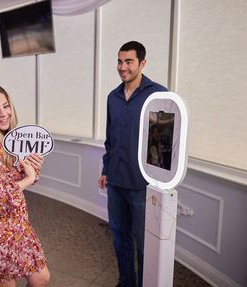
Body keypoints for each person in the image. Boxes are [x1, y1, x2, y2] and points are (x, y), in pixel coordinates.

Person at [98, 41, 167, 287]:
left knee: (144, 242)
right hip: (115, 180)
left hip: (142, 184)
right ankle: (126, 282)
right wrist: (106, 169)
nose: (123, 67)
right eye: (119, 61)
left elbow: (163, 146)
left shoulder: (159, 95)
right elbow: (111, 138)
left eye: (129, 61)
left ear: (142, 63)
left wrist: (158, 182)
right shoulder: (112, 97)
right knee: (120, 238)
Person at [0, 83, 50, 287]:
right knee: (7, 284)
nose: (4, 113)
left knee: (41, 278)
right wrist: (27, 179)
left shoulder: (12, 139)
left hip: (18, 222)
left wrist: (33, 170)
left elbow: (16, 178)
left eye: (6, 106)